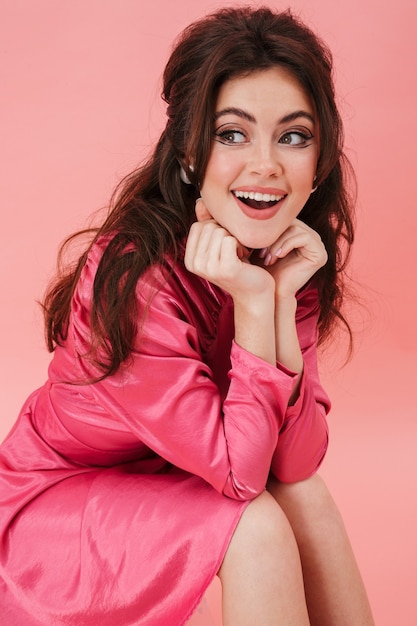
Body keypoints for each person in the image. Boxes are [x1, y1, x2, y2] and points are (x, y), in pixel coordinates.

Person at [0, 6, 374, 625]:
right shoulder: (133, 274)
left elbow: (296, 461)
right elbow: (241, 477)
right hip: (47, 508)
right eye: (233, 133)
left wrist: (276, 299)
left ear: (321, 158)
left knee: (304, 495)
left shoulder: (282, 257)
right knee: (252, 525)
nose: (266, 165)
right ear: (190, 152)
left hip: (172, 482)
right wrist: (255, 302)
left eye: (293, 135)